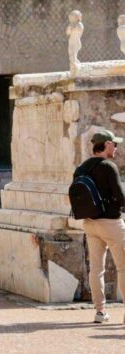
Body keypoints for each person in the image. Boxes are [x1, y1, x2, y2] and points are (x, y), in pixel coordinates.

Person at [73, 129, 125, 324]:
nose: (117, 148)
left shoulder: (82, 168)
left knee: (96, 269)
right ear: (107, 145)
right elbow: (120, 196)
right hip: (111, 223)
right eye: (115, 144)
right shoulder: (108, 166)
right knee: (123, 267)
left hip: (90, 223)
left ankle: (100, 311)